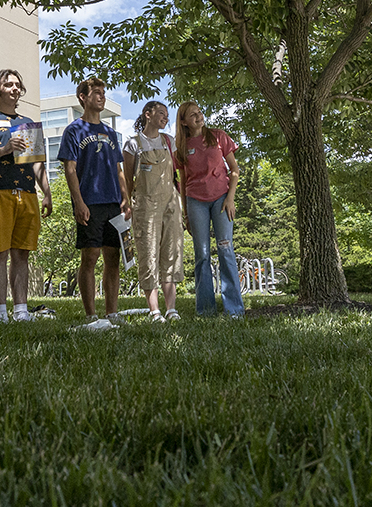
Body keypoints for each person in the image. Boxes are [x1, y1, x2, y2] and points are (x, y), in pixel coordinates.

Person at [0, 68, 52, 323]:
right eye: (9, 84)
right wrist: (3, 150)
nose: (15, 88)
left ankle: (21, 311)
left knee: (22, 254)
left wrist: (47, 192)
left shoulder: (27, 123)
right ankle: (1, 312)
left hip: (26, 194)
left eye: (17, 85)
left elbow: (37, 163)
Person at [58, 76, 129, 330]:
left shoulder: (111, 133)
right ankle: (90, 315)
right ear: (83, 98)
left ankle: (112, 312)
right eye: (96, 92)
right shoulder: (74, 131)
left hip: (113, 204)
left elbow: (119, 170)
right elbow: (70, 169)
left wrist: (126, 200)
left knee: (113, 258)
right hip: (90, 203)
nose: (101, 96)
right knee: (90, 257)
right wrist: (78, 202)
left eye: (103, 92)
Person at [175, 101, 243, 319]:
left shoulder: (218, 136)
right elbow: (183, 182)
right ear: (184, 122)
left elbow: (234, 170)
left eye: (200, 112)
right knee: (202, 255)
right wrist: (186, 214)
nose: (198, 116)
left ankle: (234, 310)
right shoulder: (182, 148)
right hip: (196, 202)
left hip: (221, 200)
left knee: (225, 249)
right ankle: (205, 311)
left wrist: (230, 199)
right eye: (192, 115)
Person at [124, 100, 184, 322]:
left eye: (166, 114)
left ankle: (172, 309)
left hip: (170, 203)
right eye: (160, 113)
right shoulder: (133, 144)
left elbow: (178, 173)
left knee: (171, 252)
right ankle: (155, 311)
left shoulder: (170, 142)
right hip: (145, 205)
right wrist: (127, 204)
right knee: (148, 254)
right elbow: (128, 178)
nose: (165, 117)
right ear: (147, 114)